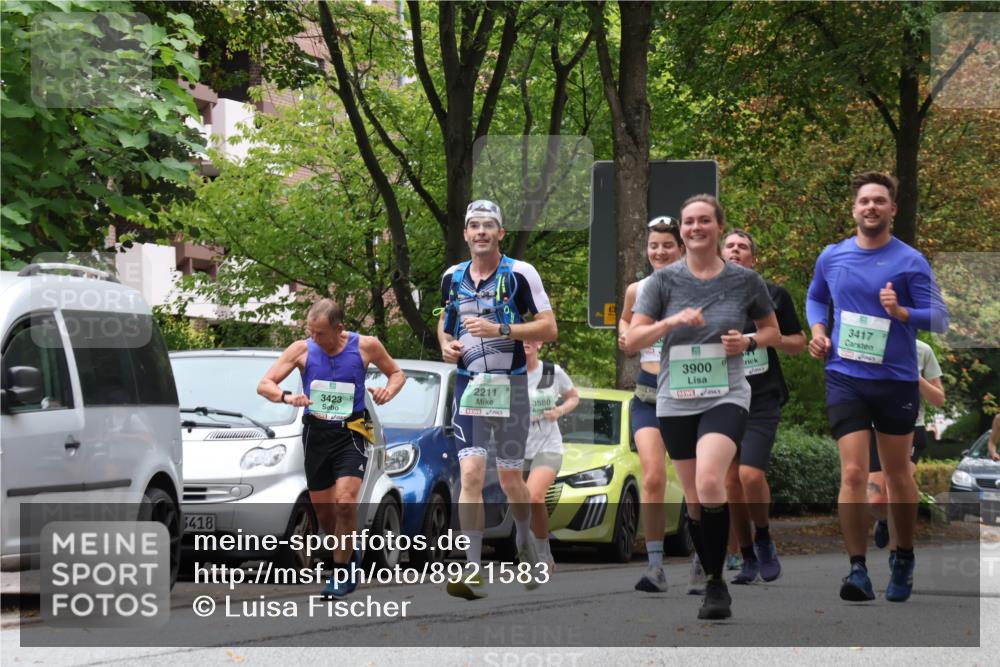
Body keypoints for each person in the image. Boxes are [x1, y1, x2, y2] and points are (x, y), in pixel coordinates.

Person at [626, 194, 781, 620]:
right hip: (674, 398)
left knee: (712, 480)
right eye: (689, 221)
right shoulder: (661, 283)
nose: (696, 228)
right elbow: (634, 341)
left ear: (718, 227)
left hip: (726, 393)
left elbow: (771, 331)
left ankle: (715, 585)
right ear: (682, 228)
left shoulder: (745, 281)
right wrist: (670, 322)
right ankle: (712, 568)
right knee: (694, 500)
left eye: (704, 221)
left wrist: (748, 341)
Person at [807, 171, 949, 603]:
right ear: (854, 209)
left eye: (879, 201)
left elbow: (939, 318)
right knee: (852, 472)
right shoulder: (832, 256)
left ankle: (903, 555)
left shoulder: (910, 260)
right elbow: (817, 296)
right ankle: (856, 570)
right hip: (845, 374)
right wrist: (818, 330)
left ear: (893, 209)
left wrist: (902, 312)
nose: (871, 207)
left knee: (897, 473)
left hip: (895, 380)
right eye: (864, 201)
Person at [438, 199, 558, 600]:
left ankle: (526, 546)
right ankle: (472, 569)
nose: (481, 232)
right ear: (467, 234)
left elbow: (549, 327)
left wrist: (500, 329)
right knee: (471, 474)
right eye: (474, 225)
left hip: (511, 389)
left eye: (489, 225)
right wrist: (445, 345)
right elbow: (445, 322)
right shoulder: (452, 277)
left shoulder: (521, 274)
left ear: (501, 233)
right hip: (470, 387)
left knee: (510, 480)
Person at [258, 298, 406, 599]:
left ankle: (340, 573)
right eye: (310, 331)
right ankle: (349, 552)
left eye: (320, 333)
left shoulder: (366, 346)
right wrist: (287, 398)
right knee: (326, 516)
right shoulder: (301, 349)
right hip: (317, 435)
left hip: (351, 432)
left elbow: (397, 373)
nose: (313, 338)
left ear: (340, 329)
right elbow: (265, 384)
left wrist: (388, 391)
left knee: (345, 502)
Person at [722, 230, 807, 585]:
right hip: (721, 396)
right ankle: (746, 556)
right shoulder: (704, 296)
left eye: (743, 247)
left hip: (761, 396)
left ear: (753, 260)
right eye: (730, 246)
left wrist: (761, 341)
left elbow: (799, 342)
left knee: (750, 475)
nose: (736, 251)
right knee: (729, 481)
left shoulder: (773, 294)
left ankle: (763, 537)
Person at [617, 216, 686, 593]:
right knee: (654, 477)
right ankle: (656, 566)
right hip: (646, 394)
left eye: (667, 245)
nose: (659, 252)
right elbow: (625, 322)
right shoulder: (637, 288)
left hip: (688, 393)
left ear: (682, 247)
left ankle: (701, 560)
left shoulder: (697, 287)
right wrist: (625, 336)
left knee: (697, 485)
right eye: (653, 246)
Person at [868, 339, 945, 550]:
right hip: (876, 428)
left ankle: (899, 555)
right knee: (875, 500)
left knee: (896, 492)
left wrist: (917, 378)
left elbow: (939, 399)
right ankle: (883, 521)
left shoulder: (923, 350)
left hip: (911, 428)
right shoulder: (872, 342)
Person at [522, 340, 579, 572]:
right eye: (520, 339)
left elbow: (574, 397)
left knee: (535, 497)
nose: (526, 343)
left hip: (548, 445)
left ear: (539, 343)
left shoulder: (551, 372)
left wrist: (559, 410)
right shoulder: (508, 373)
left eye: (531, 338)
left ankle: (544, 555)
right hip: (517, 447)